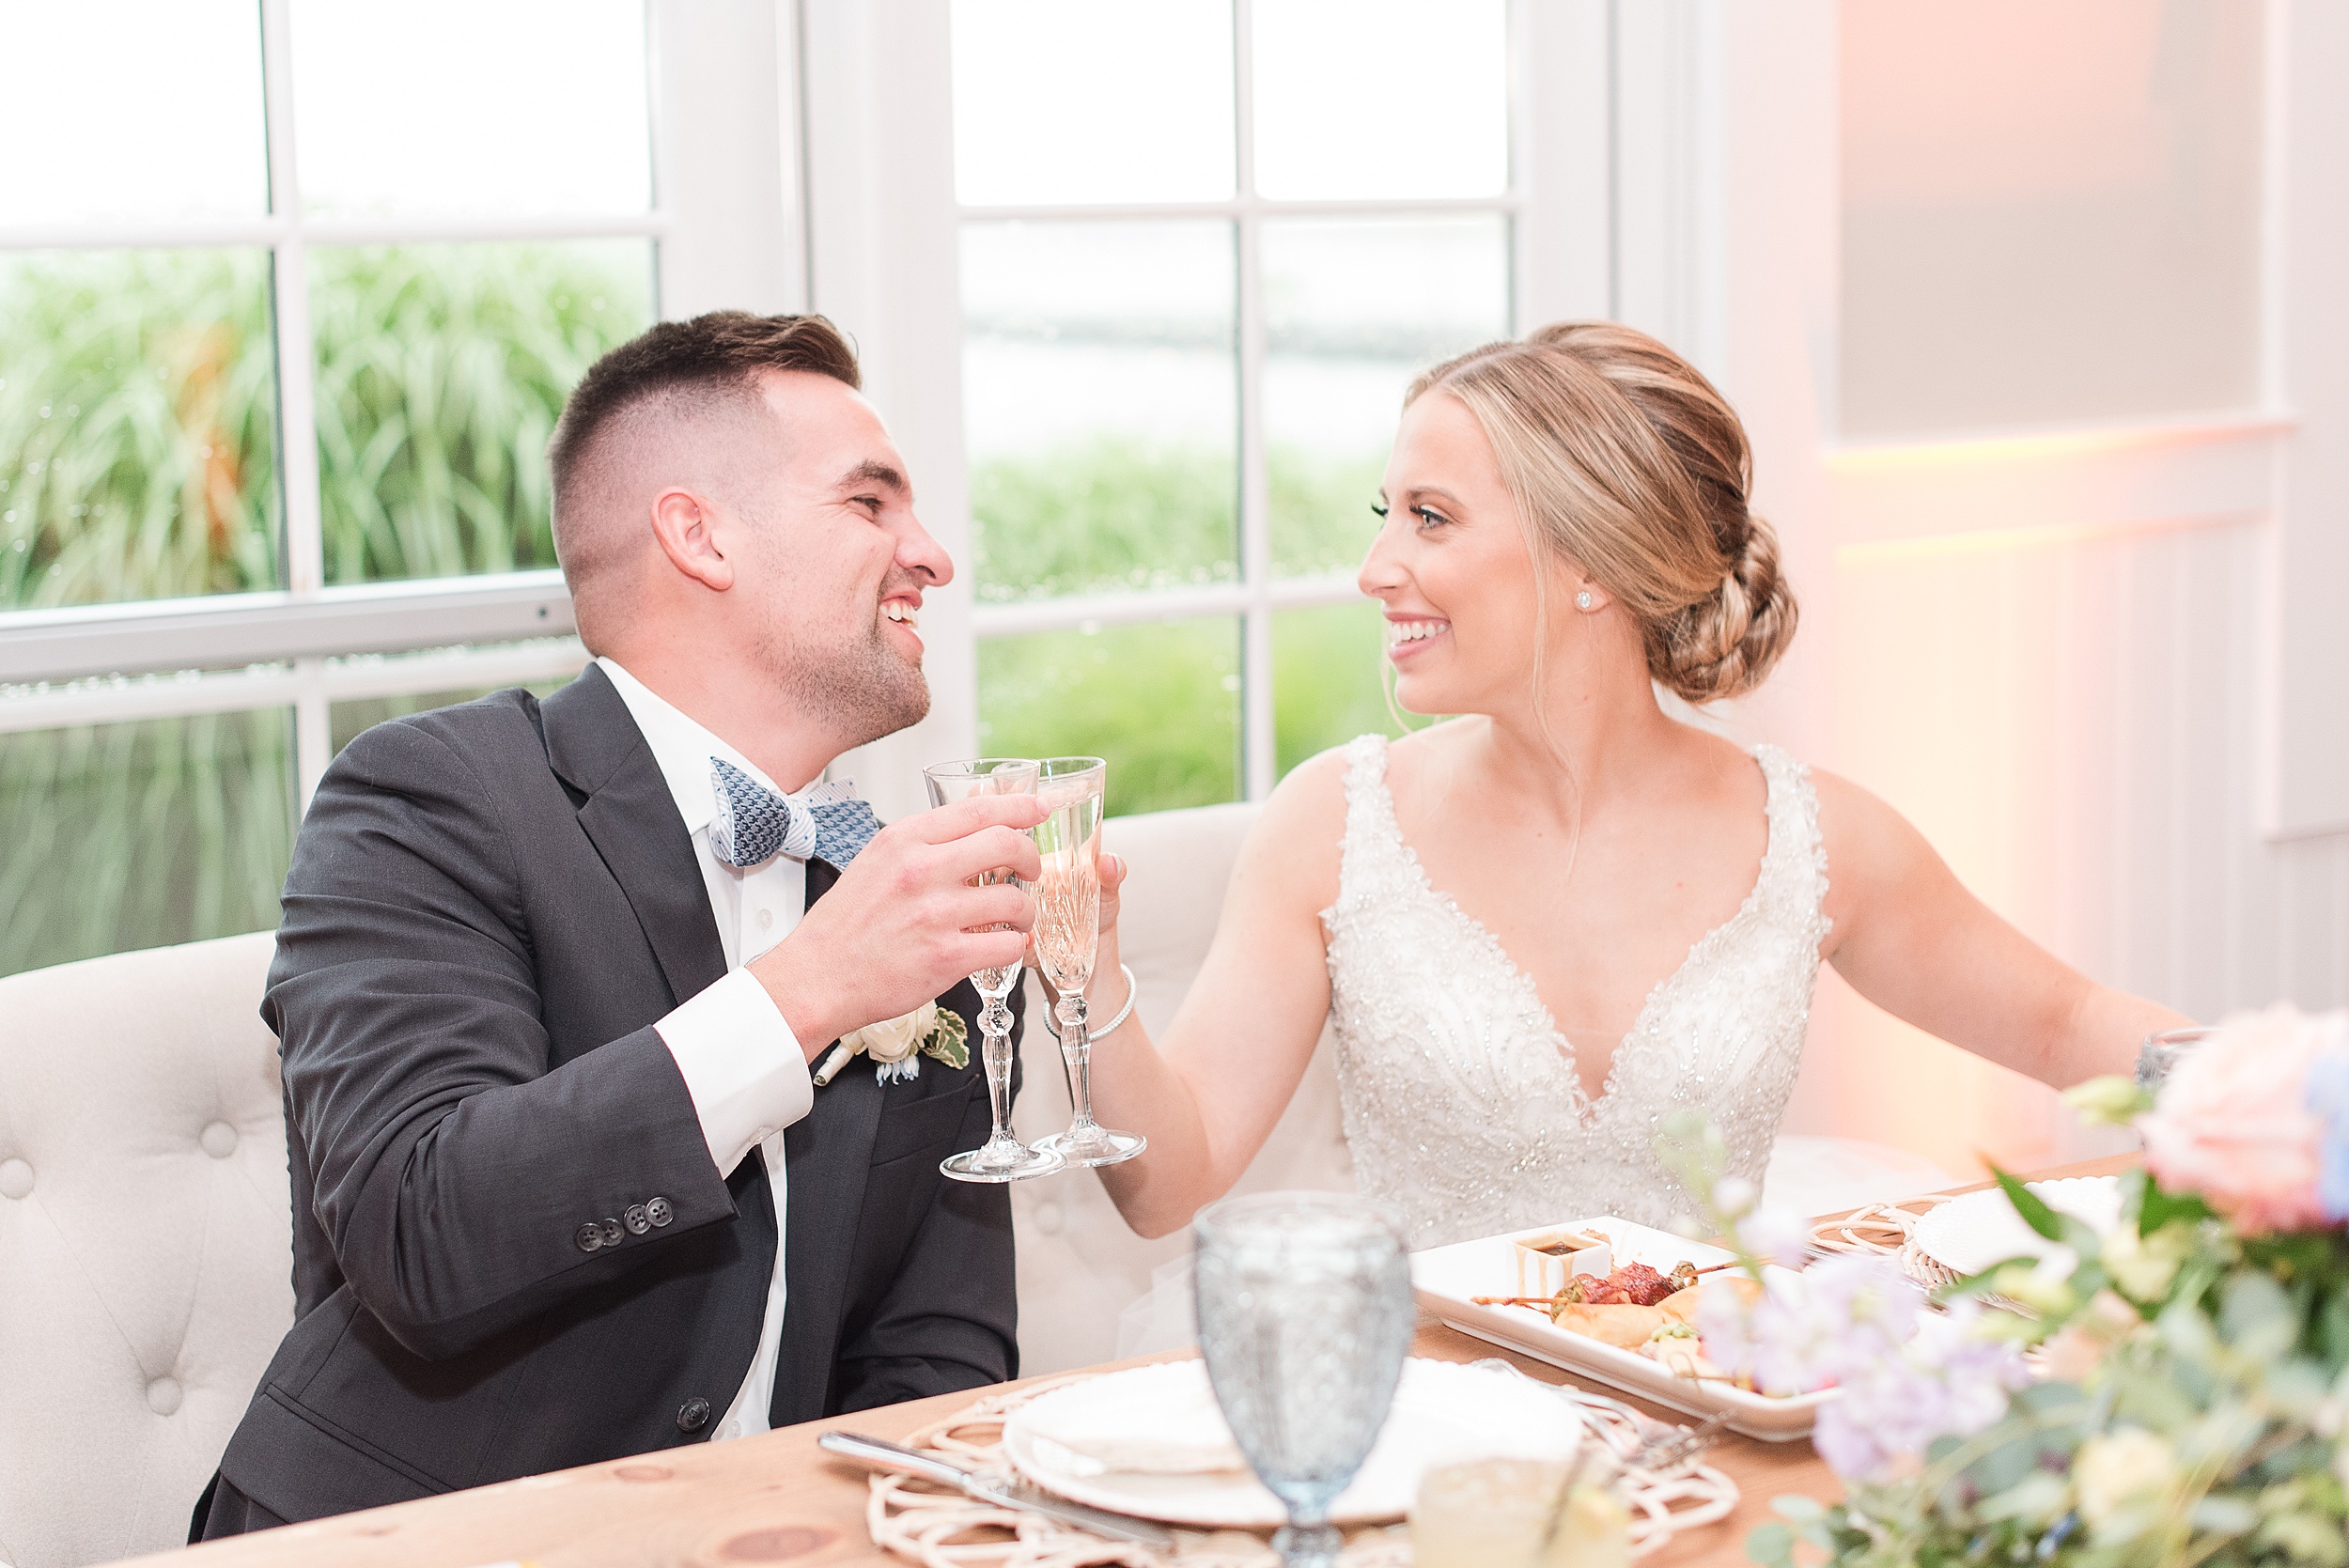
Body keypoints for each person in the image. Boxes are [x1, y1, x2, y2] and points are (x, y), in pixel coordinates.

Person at [194, 312, 1046, 1536]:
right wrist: (803, 992)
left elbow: (939, 1341)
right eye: (871, 503)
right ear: (698, 535)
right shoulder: (431, 797)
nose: (932, 555)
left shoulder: (887, 876)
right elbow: (421, 1227)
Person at [1071, 322, 2190, 1250]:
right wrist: (1091, 970)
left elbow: (2070, 1023)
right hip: (1437, 1434)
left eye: (1430, 518)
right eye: (1387, 516)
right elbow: (1168, 1183)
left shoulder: (1814, 837)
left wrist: (2291, 1099)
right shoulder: (1331, 826)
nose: (1375, 570)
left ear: (1591, 561)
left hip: (1716, 1422)